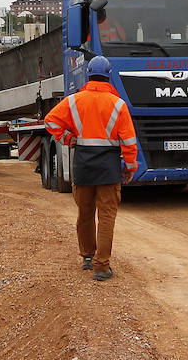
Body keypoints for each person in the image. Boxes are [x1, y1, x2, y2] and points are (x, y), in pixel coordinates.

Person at [42, 56, 138, 282]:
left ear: (88, 75)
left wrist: (68, 138)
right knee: (106, 218)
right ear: (109, 76)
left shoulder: (74, 101)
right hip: (108, 169)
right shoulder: (118, 105)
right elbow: (129, 142)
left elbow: (50, 121)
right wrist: (130, 167)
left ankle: (87, 257)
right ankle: (102, 267)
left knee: (85, 214)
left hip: (83, 166)